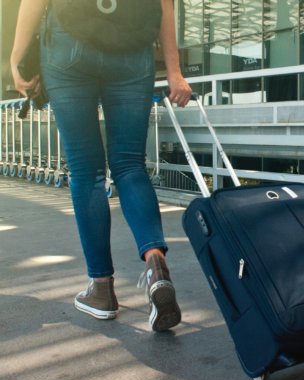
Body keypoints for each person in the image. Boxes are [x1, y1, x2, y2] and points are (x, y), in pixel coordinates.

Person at [10, 0, 192, 331]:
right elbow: (165, 3)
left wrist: (15, 57)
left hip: (69, 42)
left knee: (87, 171)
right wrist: (174, 71)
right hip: (133, 47)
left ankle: (102, 289)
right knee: (130, 165)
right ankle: (156, 266)